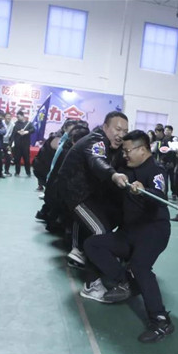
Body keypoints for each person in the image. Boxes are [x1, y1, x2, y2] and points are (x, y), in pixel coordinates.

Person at [84, 130, 174, 343]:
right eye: (123, 151)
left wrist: (144, 190)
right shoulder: (125, 169)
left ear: (142, 149)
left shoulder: (156, 170)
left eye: (128, 151)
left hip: (154, 231)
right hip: (130, 232)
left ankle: (161, 321)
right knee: (93, 244)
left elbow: (160, 194)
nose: (125, 155)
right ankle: (126, 282)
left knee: (140, 267)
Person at [57, 111, 128, 289]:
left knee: (111, 219)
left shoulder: (113, 146)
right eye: (117, 129)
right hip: (76, 194)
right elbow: (97, 160)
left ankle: (82, 250)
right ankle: (93, 284)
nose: (121, 135)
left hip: (90, 193)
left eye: (125, 131)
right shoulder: (97, 141)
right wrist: (113, 175)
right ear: (105, 127)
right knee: (100, 234)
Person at [10, 110, 35, 176]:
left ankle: (28, 172)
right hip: (17, 145)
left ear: (23, 116)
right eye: (17, 117)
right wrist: (19, 132)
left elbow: (33, 129)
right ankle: (17, 172)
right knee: (17, 159)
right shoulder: (16, 124)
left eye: (18, 117)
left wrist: (26, 132)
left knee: (26, 159)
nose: (17, 118)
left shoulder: (28, 123)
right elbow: (13, 133)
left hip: (25, 145)